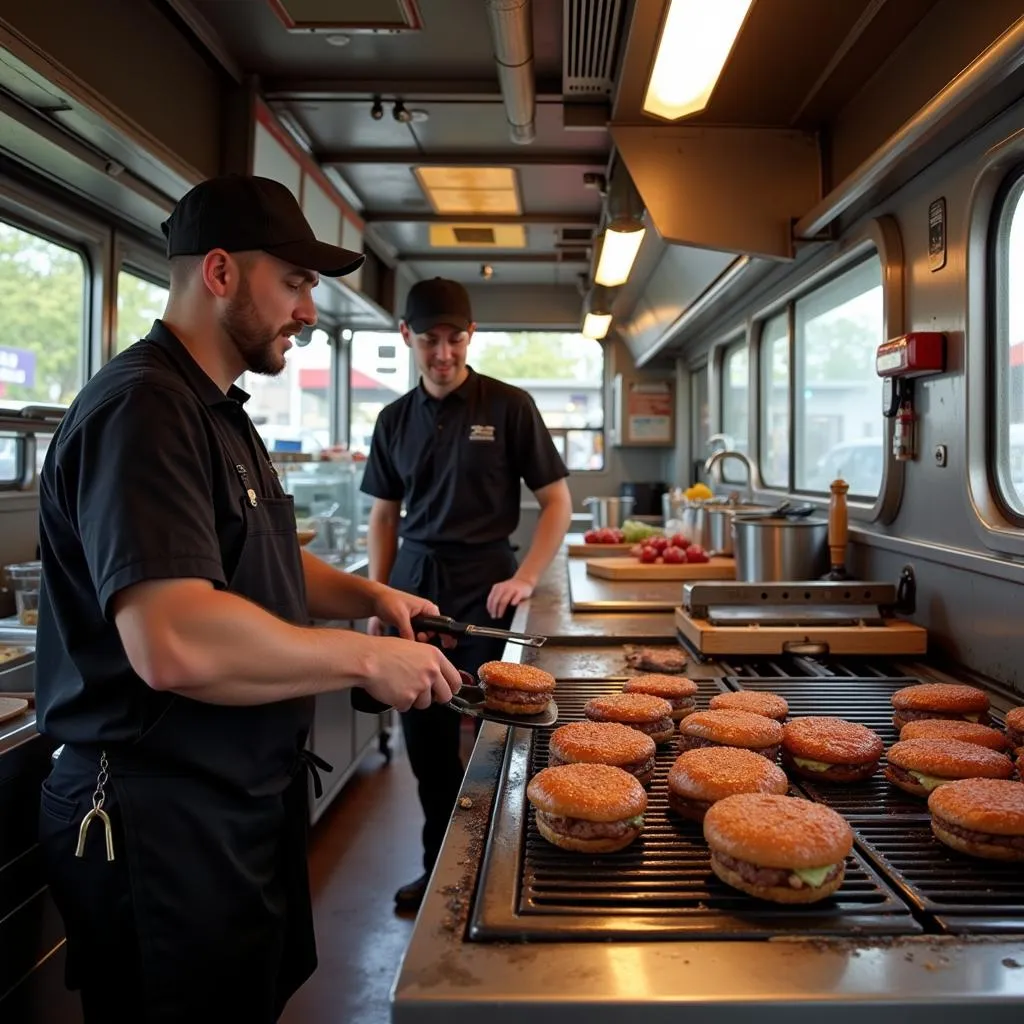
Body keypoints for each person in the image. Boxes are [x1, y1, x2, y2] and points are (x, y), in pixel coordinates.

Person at [34, 175, 464, 1024]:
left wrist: (374, 595)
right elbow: (175, 640)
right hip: (158, 820)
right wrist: (365, 654)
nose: (308, 311)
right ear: (221, 273)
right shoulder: (143, 410)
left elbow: (259, 559)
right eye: (296, 283)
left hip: (234, 802)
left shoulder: (219, 411)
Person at [360, 277, 573, 912]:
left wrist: (526, 576)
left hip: (489, 587)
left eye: (455, 339)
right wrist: (379, 596)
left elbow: (557, 501)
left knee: (497, 734)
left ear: (470, 336)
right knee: (425, 743)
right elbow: (383, 516)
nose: (443, 353)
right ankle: (437, 867)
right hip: (417, 586)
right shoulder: (393, 419)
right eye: (430, 340)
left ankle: (504, 860)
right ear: (408, 338)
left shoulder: (509, 405)